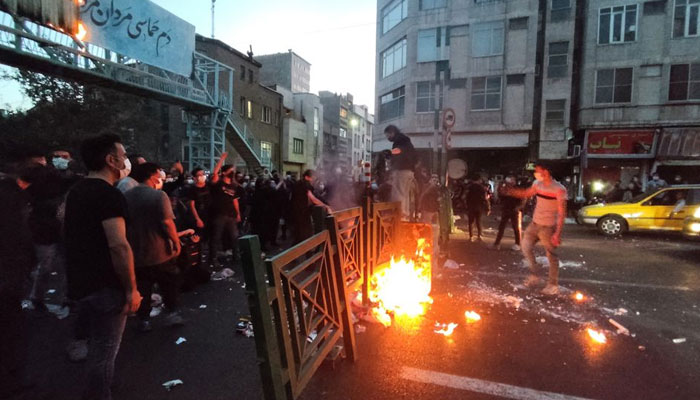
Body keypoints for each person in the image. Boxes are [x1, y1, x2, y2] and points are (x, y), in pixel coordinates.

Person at [64, 134, 142, 400]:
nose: (125, 159)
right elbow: (118, 245)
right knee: (104, 352)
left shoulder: (76, 191)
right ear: (111, 160)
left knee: (95, 345)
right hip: (106, 285)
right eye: (122, 154)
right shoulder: (109, 195)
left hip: (81, 281)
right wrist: (131, 289)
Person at [124, 163, 183, 331]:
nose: (161, 177)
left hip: (136, 251)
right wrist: (176, 242)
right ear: (152, 176)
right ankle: (172, 314)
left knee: (143, 287)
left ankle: (143, 320)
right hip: (159, 251)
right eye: (159, 173)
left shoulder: (126, 196)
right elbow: (167, 222)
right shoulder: (159, 196)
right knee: (168, 284)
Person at [0, 166, 42, 398]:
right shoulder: (9, 195)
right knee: (10, 332)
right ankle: (10, 384)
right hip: (9, 274)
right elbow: (17, 234)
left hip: (11, 272)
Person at [503, 163, 567, 295]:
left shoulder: (559, 189)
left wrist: (557, 233)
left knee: (551, 256)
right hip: (535, 224)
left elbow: (562, 213)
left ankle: (552, 284)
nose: (536, 173)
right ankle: (535, 275)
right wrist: (510, 191)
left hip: (548, 227)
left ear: (546, 172)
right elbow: (526, 193)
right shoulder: (537, 184)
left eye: (538, 171)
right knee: (525, 247)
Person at [208, 164, 242, 267]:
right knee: (216, 237)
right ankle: (213, 259)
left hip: (231, 214)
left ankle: (236, 256)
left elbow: (235, 200)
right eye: (231, 170)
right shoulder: (219, 183)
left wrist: (238, 214)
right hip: (219, 214)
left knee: (234, 237)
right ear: (224, 172)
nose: (233, 172)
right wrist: (221, 160)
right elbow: (214, 174)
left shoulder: (233, 185)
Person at [383, 125, 416, 219]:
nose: (388, 138)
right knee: (405, 193)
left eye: (388, 135)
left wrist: (390, 153)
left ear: (392, 132)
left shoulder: (399, 140)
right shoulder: (407, 141)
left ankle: (399, 214)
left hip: (402, 170)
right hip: (410, 170)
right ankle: (405, 213)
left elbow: (399, 151)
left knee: (398, 191)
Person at [290, 169, 331, 244]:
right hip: (302, 212)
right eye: (313, 177)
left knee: (299, 233)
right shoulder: (304, 184)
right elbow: (313, 199)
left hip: (297, 211)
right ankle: (305, 251)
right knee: (305, 233)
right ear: (307, 177)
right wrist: (326, 206)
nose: (314, 179)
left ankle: (299, 250)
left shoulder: (299, 183)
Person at [493, 175, 524, 250]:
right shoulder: (505, 189)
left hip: (514, 210)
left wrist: (519, 207)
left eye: (512, 180)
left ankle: (517, 244)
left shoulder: (517, 189)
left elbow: (522, 199)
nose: (510, 182)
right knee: (502, 227)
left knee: (515, 227)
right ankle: (497, 243)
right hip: (506, 210)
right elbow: (500, 197)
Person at [466, 175, 490, 242]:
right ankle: (479, 236)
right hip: (479, 207)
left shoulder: (469, 188)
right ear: (479, 180)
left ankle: (471, 237)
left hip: (471, 207)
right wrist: (488, 208)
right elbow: (485, 199)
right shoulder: (482, 188)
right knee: (478, 221)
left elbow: (466, 198)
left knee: (471, 222)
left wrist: (466, 206)